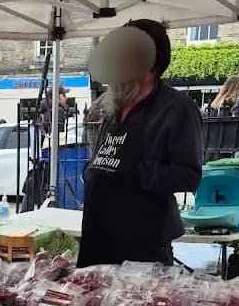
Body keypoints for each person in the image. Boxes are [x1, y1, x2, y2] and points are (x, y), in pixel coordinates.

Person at [78, 20, 203, 268]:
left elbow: (188, 175)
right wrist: (91, 172)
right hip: (97, 240)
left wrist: (138, 171)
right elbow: (101, 160)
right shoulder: (114, 109)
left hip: (143, 249)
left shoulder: (177, 109)